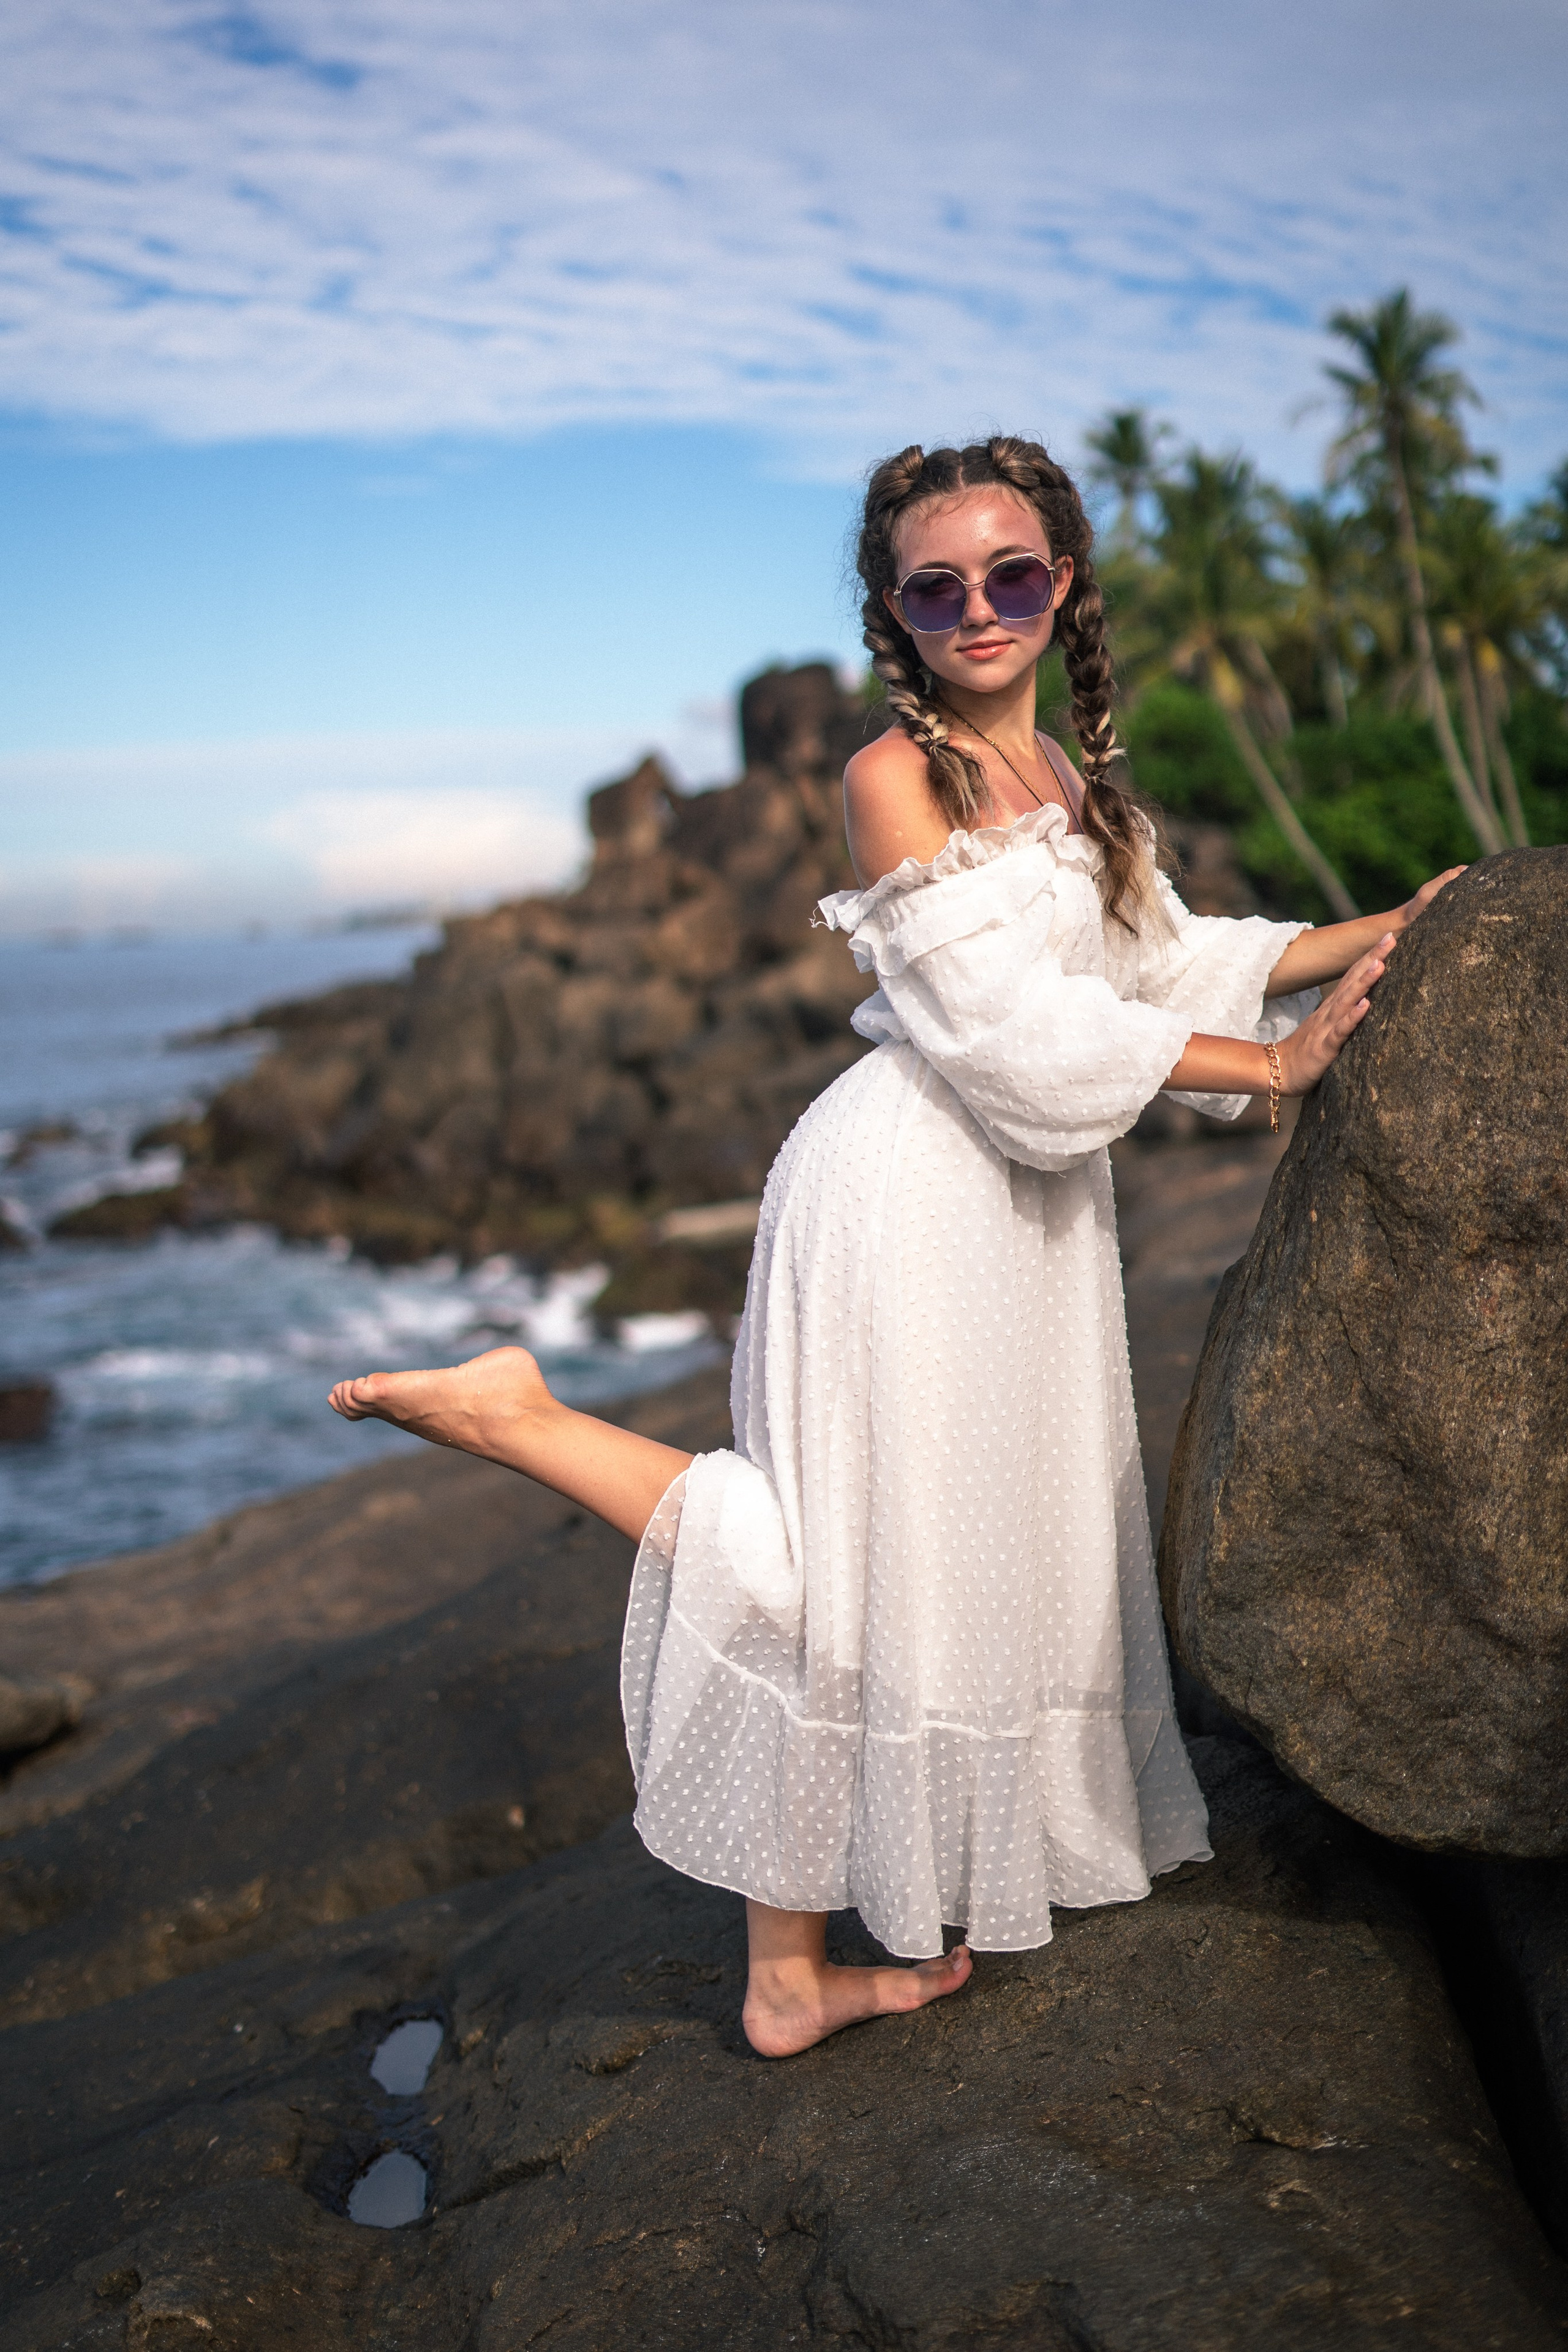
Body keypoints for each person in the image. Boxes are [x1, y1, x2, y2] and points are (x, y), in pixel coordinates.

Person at [330, 437, 1461, 2060]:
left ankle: (791, 1970)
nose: (981, 607)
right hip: (905, 1196)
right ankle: (526, 1424)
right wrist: (1277, 1069)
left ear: (1060, 581)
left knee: (937, 1565)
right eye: (941, 585)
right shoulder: (891, 777)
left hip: (1017, 1219)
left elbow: (1160, 963)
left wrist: (1387, 932)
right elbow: (1004, 1031)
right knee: (832, 1570)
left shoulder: (1070, 780)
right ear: (898, 612)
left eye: (1012, 574)